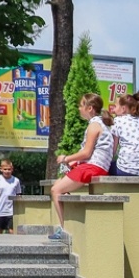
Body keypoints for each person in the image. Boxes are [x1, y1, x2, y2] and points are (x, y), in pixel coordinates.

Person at [51, 94, 114, 241]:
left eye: (81, 105)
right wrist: (75, 162)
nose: (79, 108)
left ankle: (64, 229)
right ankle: (67, 225)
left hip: (93, 167)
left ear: (90, 108)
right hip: (96, 165)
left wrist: (66, 158)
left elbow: (86, 152)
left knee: (56, 190)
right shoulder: (100, 124)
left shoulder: (94, 125)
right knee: (57, 187)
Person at [109, 94, 139, 178]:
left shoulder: (117, 121)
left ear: (123, 109)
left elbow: (112, 150)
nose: (113, 109)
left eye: (115, 106)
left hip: (126, 169)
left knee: (107, 168)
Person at [0, 159, 23, 235]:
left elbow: (18, 195)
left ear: (12, 169)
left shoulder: (16, 181)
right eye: (5, 169)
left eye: (9, 169)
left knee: (12, 231)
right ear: (1, 169)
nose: (7, 171)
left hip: (11, 211)